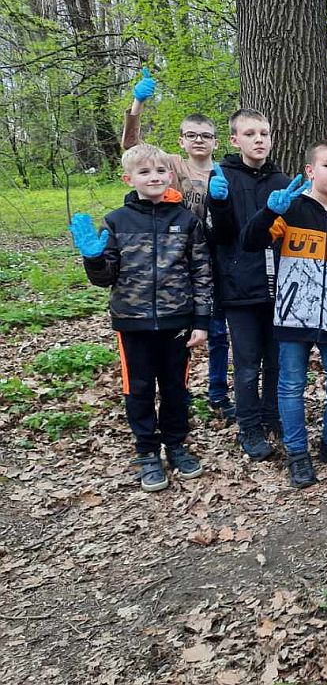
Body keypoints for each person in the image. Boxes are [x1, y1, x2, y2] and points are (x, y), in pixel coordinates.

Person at [69, 144, 211, 492]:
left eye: (160, 171)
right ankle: (147, 451)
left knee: (177, 388)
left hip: (177, 321)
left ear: (170, 175)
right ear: (128, 178)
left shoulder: (185, 221)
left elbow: (202, 272)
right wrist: (94, 258)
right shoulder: (117, 221)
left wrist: (202, 320)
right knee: (140, 389)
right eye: (145, 172)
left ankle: (176, 444)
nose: (154, 178)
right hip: (132, 323)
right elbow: (105, 277)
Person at [240, 140, 327, 488]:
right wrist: (269, 212)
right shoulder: (292, 209)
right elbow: (249, 242)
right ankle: (298, 454)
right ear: (311, 171)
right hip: (293, 316)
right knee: (291, 387)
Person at [121, 68, 234, 421]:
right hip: (173, 260)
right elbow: (132, 148)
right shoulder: (170, 166)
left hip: (216, 257)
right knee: (187, 330)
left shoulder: (226, 171)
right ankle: (179, 394)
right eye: (191, 135)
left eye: (206, 135)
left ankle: (218, 393)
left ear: (217, 141)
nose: (199, 141)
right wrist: (138, 102)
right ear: (182, 140)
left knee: (218, 331)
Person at [206, 109, 291, 461]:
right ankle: (249, 427)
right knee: (245, 363)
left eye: (265, 133)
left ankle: (273, 417)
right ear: (235, 139)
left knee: (276, 360)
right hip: (239, 287)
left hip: (278, 287)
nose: (259, 140)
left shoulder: (281, 180)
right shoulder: (223, 175)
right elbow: (222, 236)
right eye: (251, 133)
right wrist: (219, 202)